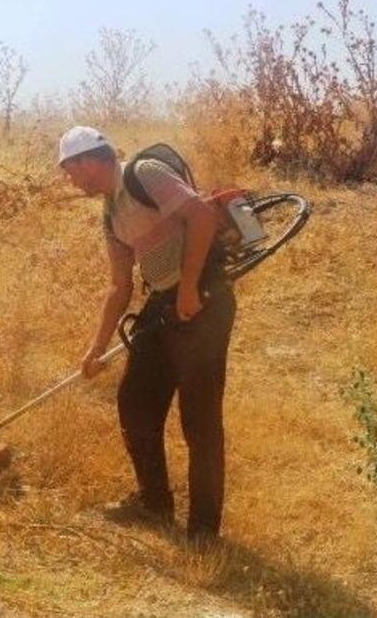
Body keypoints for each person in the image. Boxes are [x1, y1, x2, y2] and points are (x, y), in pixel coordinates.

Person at [57, 125, 236, 543]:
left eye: (70, 170)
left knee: (200, 419)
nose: (71, 180)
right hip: (162, 303)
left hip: (203, 296)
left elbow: (202, 216)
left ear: (88, 161)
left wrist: (189, 287)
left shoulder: (145, 172)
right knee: (134, 400)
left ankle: (204, 531)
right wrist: (96, 348)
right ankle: (154, 503)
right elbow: (120, 286)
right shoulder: (109, 213)